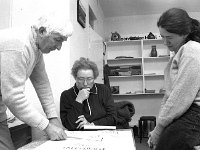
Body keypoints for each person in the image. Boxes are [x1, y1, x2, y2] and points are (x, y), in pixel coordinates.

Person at [0, 11, 73, 150]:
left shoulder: (36, 47)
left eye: (62, 42)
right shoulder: (18, 45)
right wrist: (47, 126)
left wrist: (53, 117)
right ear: (42, 31)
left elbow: (42, 84)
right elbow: (13, 97)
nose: (59, 47)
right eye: (57, 40)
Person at [148, 8, 200, 150]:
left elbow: (181, 97)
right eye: (162, 37)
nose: (165, 42)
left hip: (193, 113)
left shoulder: (192, 50)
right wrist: (159, 126)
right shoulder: (180, 52)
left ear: (184, 33)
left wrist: (159, 129)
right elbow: (170, 95)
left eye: (169, 37)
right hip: (185, 111)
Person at [60, 57, 116, 130]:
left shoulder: (103, 90)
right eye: (81, 79)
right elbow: (68, 124)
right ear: (75, 78)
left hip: (102, 134)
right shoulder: (66, 95)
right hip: (78, 137)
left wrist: (91, 124)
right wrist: (78, 100)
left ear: (94, 78)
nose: (85, 83)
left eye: (89, 79)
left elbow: (113, 118)